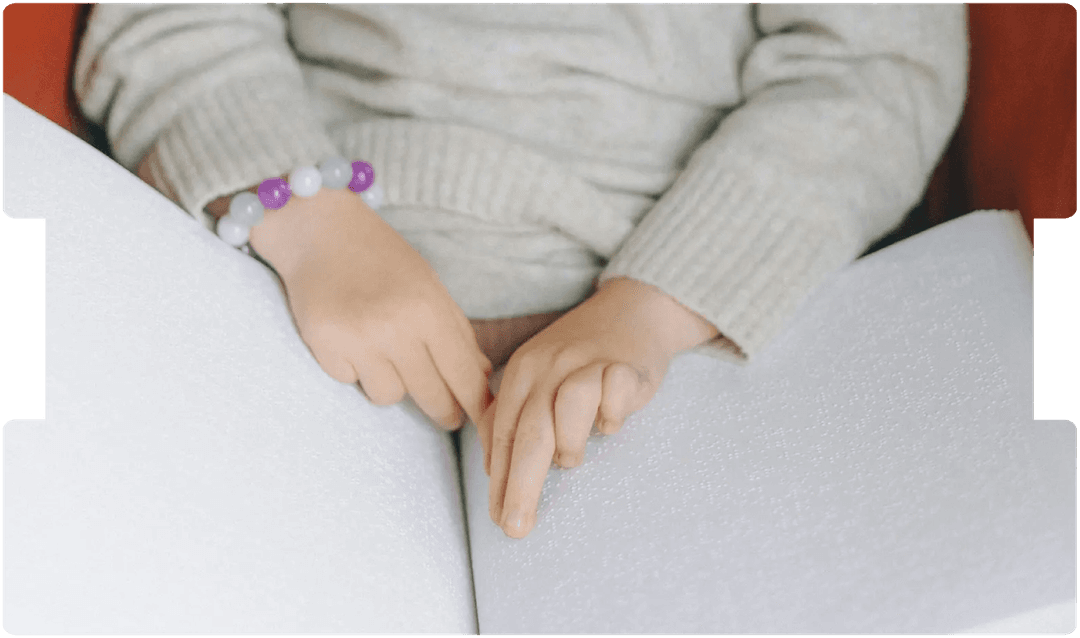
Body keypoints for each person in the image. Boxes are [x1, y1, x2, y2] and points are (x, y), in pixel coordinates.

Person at [74, 3, 968, 539]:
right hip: (292, 272)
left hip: (685, 323)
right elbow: (168, 17)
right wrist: (309, 221)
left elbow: (878, 71)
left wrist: (653, 308)